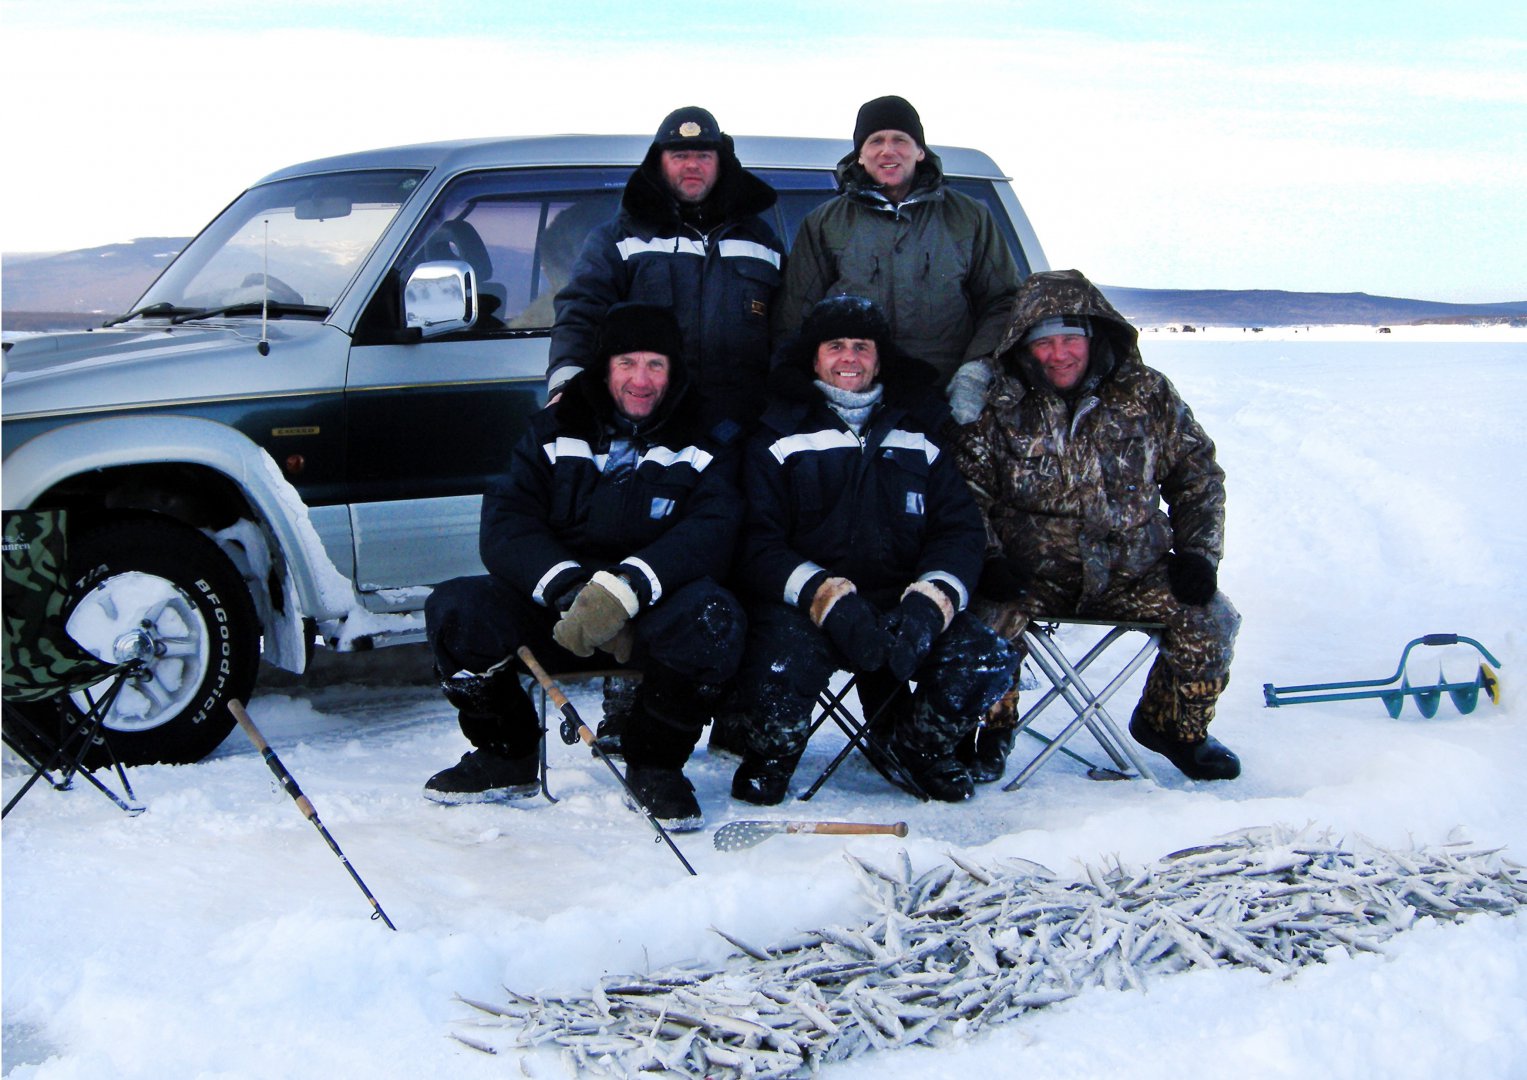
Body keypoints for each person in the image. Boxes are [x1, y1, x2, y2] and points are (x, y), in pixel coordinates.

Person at [423, 303, 746, 830]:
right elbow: (506, 523)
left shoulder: (707, 436)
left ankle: (656, 767)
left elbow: (712, 530)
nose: (641, 380)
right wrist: (572, 592)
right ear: (604, 367)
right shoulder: (554, 428)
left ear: (675, 370)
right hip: (560, 614)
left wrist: (625, 591)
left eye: (656, 365)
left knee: (714, 616)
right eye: (627, 363)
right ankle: (507, 755)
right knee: (458, 609)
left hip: (653, 613)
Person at [953, 269, 1242, 781]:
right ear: (1023, 345)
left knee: (1212, 617)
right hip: (1028, 575)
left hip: (1134, 570)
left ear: (1093, 337)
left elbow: (1197, 475)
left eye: (1070, 339)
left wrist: (1199, 553)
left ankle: (1173, 727)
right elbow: (966, 492)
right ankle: (989, 731)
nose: (1059, 354)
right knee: (978, 619)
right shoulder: (999, 404)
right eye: (1044, 343)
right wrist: (989, 557)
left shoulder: (1147, 394)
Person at [730, 296, 1018, 805]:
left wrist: (931, 602)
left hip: (900, 600)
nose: (849, 358)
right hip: (807, 607)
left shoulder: (920, 432)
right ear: (813, 358)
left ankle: (918, 747)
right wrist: (826, 598)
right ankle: (771, 756)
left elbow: (958, 532)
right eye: (835, 345)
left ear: (880, 359)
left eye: (861, 347)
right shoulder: (776, 433)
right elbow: (757, 542)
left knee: (986, 658)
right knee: (777, 665)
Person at [547, 106, 785, 435]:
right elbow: (581, 315)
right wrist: (567, 388)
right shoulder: (619, 240)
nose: (692, 165)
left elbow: (787, 331)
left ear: (721, 163)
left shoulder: (763, 242)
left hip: (745, 429)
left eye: (703, 155)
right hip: (654, 429)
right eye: (679, 154)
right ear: (659, 163)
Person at [772, 95, 1019, 389]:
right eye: (875, 141)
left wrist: (976, 370)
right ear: (860, 155)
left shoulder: (968, 217)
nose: (888, 151)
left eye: (900, 140)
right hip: (857, 399)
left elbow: (1004, 301)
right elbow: (795, 315)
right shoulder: (825, 223)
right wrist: (796, 383)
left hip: (946, 394)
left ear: (920, 151)